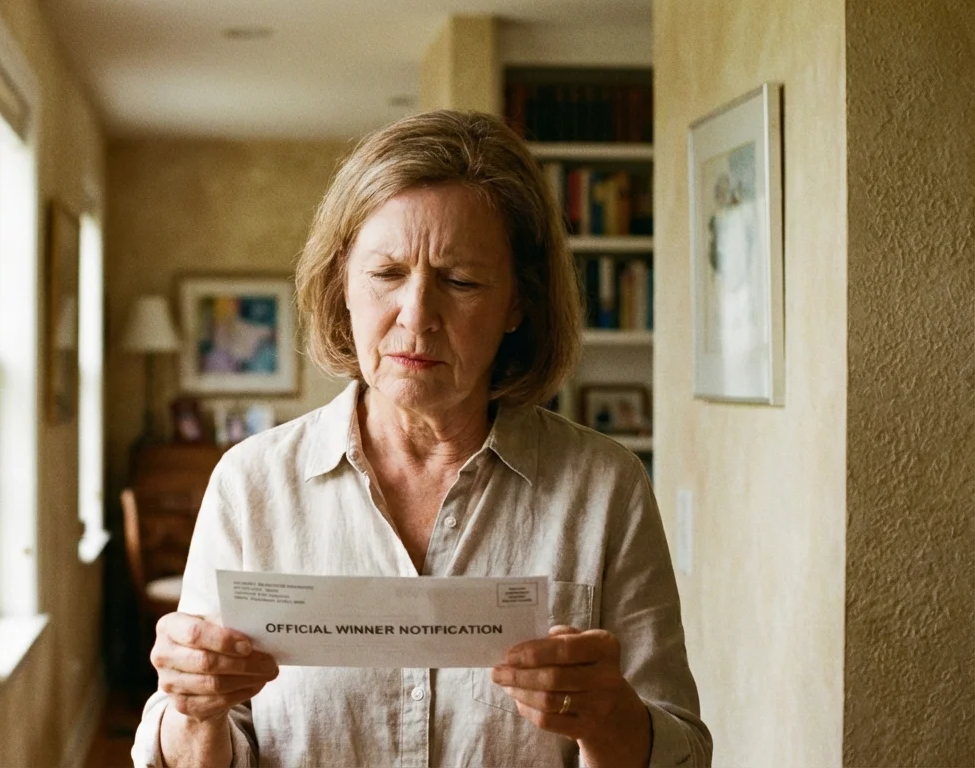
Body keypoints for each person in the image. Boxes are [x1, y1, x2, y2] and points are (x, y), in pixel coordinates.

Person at [132, 110, 711, 767]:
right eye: (386, 274)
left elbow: (684, 753)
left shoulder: (605, 488)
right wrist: (193, 710)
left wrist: (611, 720)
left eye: (461, 281)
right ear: (342, 283)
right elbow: (199, 745)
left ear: (518, 304)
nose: (417, 316)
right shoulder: (251, 484)